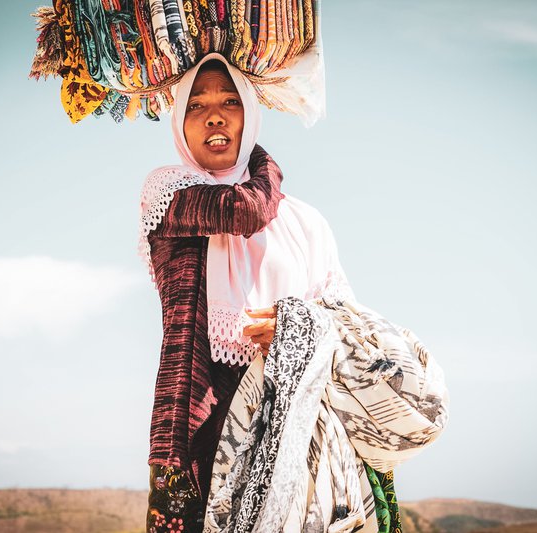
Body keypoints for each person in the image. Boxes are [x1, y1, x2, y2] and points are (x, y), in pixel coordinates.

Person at [138, 52, 354, 533]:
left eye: (231, 101)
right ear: (179, 121)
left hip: (293, 426)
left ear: (251, 113)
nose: (214, 114)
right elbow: (242, 212)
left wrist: (296, 326)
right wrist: (268, 166)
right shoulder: (168, 194)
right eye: (196, 105)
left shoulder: (306, 223)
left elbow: (347, 324)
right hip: (195, 424)